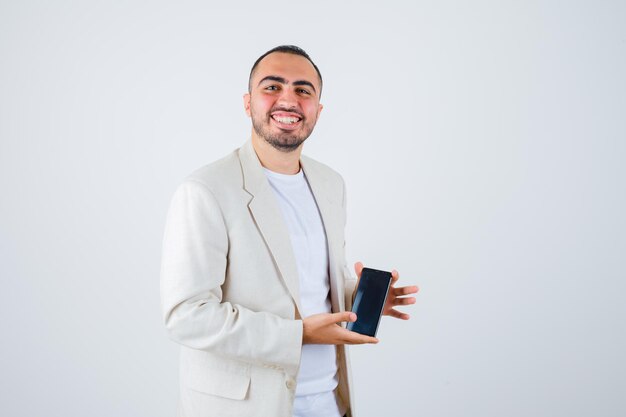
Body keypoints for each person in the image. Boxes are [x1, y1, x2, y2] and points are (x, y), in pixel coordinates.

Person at [160, 45, 418, 417]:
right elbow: (186, 315)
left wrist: (359, 297)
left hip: (328, 400)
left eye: (303, 90)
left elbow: (308, 285)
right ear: (248, 103)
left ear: (318, 109)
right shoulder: (205, 190)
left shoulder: (331, 183)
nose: (288, 99)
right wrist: (299, 335)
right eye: (272, 87)